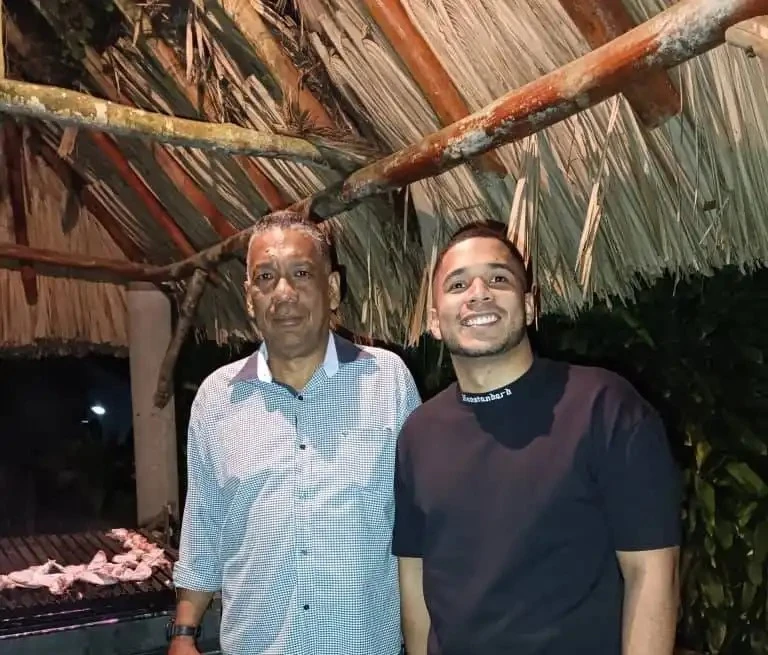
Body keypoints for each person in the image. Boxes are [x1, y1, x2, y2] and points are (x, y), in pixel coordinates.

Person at [393, 222, 681, 655]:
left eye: (498, 279)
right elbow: (415, 580)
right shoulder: (419, 432)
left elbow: (654, 571)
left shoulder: (602, 404)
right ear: (434, 320)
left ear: (528, 306)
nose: (479, 293)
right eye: (457, 284)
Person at [169, 210, 421, 655]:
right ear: (249, 297)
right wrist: (185, 632)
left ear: (333, 289)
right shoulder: (216, 398)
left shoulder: (388, 381)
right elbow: (203, 524)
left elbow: (417, 529)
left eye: (301, 273)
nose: (282, 293)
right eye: (265, 277)